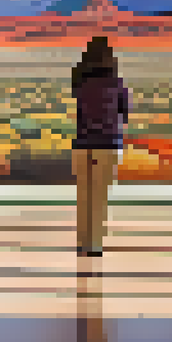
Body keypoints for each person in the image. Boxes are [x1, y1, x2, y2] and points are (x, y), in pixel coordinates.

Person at [71, 36, 130, 257]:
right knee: (99, 197)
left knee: (84, 196)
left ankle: (81, 243)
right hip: (107, 144)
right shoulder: (116, 83)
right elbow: (125, 113)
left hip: (82, 143)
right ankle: (94, 245)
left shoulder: (79, 81)